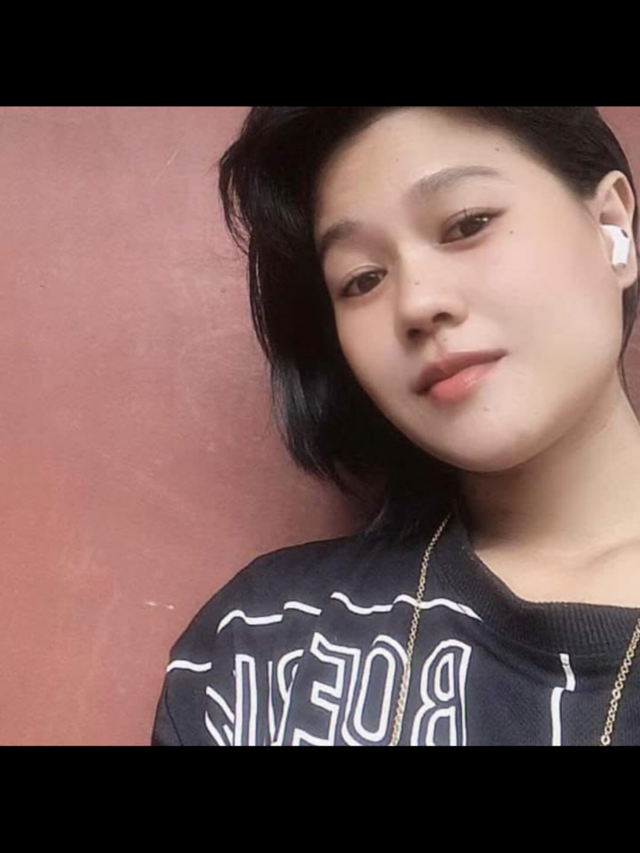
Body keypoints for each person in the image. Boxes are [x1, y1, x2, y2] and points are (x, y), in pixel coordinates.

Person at [150, 107, 640, 746]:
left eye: (467, 224)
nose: (416, 302)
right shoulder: (264, 647)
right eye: (362, 279)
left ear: (611, 225)